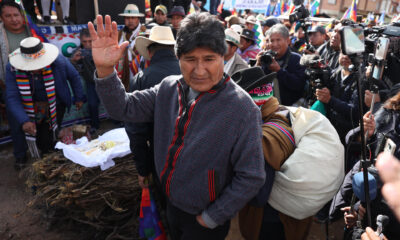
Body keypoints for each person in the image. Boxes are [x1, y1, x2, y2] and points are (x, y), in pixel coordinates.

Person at [88, 13, 266, 239]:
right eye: (190, 59)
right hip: (169, 202)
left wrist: (213, 216)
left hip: (204, 217)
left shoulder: (242, 109)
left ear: (224, 57)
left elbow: (252, 176)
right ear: (178, 58)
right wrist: (105, 71)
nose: (199, 70)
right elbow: (123, 108)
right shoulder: (168, 88)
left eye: (209, 59)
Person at [6, 37, 84, 169]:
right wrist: (24, 120)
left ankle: (47, 155)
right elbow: (12, 96)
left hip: (55, 103)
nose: (36, 70)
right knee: (25, 131)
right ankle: (23, 155)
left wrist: (79, 98)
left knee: (48, 133)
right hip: (28, 105)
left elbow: (74, 77)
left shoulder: (59, 61)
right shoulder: (12, 68)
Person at [125, 26, 181, 209]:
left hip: (160, 156)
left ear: (149, 51)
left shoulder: (141, 79)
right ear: (174, 49)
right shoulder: (191, 73)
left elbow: (136, 130)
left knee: (166, 204)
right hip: (193, 153)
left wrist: (143, 168)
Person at [316, 53, 361, 143]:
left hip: (347, 134)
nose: (345, 57)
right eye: (343, 53)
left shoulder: (360, 79)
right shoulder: (333, 74)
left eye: (350, 54)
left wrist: (330, 100)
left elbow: (355, 111)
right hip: (329, 128)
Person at [257, 24, 306, 106]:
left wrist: (279, 71)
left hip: (291, 108)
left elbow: (298, 85)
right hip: (268, 107)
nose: (275, 44)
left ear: (287, 41)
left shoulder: (297, 59)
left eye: (278, 40)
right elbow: (257, 84)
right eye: (271, 41)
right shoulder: (267, 58)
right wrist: (257, 65)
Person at [70, 28, 99, 133]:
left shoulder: (100, 48)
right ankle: (95, 125)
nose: (87, 44)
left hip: (104, 80)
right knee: (92, 104)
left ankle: (118, 122)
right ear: (80, 40)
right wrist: (74, 60)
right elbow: (72, 69)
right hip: (91, 82)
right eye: (84, 41)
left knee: (111, 101)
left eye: (90, 41)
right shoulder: (78, 52)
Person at [116, 4, 145, 90]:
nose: (130, 21)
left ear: (138, 19)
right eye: (127, 18)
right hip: (123, 71)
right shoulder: (120, 34)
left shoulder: (144, 33)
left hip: (138, 70)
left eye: (133, 18)